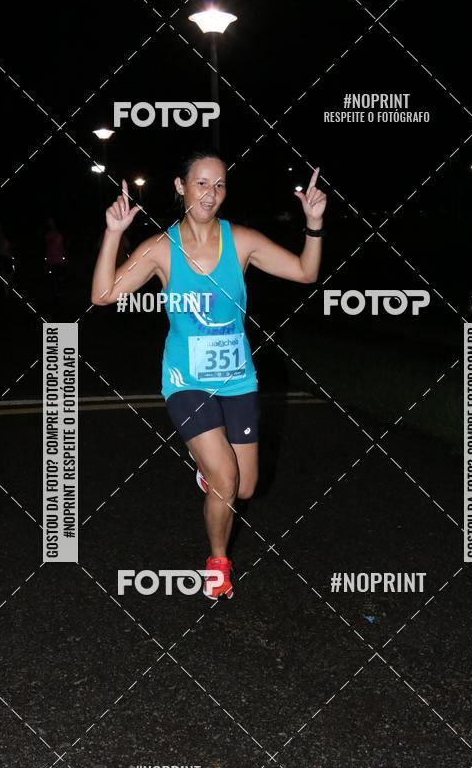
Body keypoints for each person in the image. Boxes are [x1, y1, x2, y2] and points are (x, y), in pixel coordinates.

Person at [91, 148, 326, 599]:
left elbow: (304, 270)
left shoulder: (240, 241)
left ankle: (211, 473)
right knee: (226, 480)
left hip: (237, 378)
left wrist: (313, 224)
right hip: (186, 381)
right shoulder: (162, 248)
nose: (210, 193)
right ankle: (218, 562)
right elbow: (103, 294)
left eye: (219, 184)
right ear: (180, 188)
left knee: (247, 485)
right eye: (201, 183)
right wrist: (113, 231)